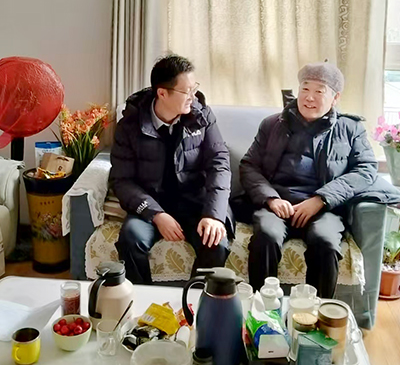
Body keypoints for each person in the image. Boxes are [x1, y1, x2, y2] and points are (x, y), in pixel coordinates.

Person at [239, 62, 376, 298]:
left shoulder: (351, 129)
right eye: (305, 88)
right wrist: (271, 199)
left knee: (325, 242)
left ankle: (317, 312)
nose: (309, 97)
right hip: (277, 205)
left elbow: (366, 169)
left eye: (319, 91)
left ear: (335, 98)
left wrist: (321, 199)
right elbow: (249, 165)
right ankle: (261, 309)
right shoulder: (272, 124)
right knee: (266, 236)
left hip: (322, 208)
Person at [109, 54, 232, 284]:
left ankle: (194, 301)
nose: (193, 97)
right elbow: (121, 180)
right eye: (187, 91)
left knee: (216, 242)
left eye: (194, 88)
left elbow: (219, 163)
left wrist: (213, 215)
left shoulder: (202, 115)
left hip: (195, 202)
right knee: (130, 239)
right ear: (162, 93)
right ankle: (145, 301)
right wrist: (156, 214)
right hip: (151, 203)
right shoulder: (130, 125)